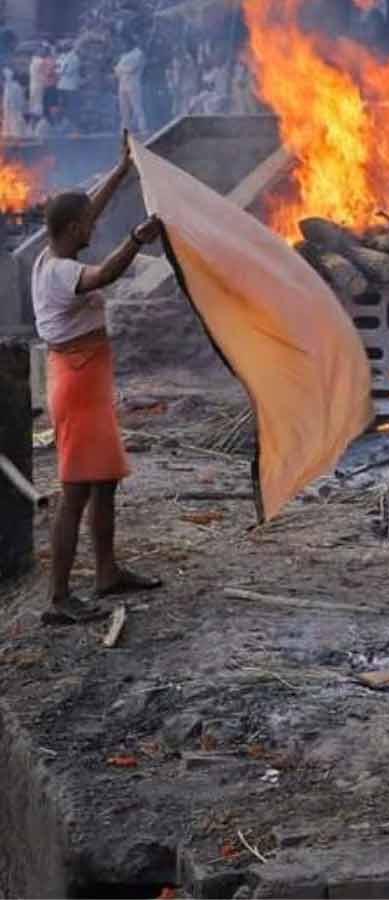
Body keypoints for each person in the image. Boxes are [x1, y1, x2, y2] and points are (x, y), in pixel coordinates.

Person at [31, 135, 163, 623]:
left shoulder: (53, 251)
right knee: (75, 493)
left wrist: (121, 171)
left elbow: (91, 210)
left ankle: (106, 573)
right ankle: (59, 599)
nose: (93, 228)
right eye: (86, 225)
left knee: (104, 482)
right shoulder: (60, 273)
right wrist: (137, 239)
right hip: (77, 385)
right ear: (71, 229)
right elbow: (105, 275)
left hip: (87, 380)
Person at [115, 42, 147, 133]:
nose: (123, 45)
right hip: (122, 85)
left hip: (133, 85)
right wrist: (121, 69)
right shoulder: (124, 55)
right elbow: (116, 71)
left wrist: (121, 69)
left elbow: (131, 69)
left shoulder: (138, 54)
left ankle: (142, 129)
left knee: (137, 108)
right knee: (124, 110)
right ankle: (125, 128)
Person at [56, 41, 81, 125]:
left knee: (70, 107)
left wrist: (59, 71)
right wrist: (59, 70)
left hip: (69, 86)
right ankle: (63, 123)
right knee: (63, 106)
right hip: (62, 85)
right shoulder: (64, 57)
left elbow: (66, 71)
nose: (63, 48)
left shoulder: (74, 58)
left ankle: (71, 124)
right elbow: (59, 67)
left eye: (65, 46)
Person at [2, 68, 26, 139]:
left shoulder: (15, 86)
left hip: (14, 108)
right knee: (8, 121)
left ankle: (16, 134)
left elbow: (19, 98)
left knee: (15, 122)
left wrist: (16, 106)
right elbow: (6, 99)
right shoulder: (8, 86)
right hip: (8, 108)